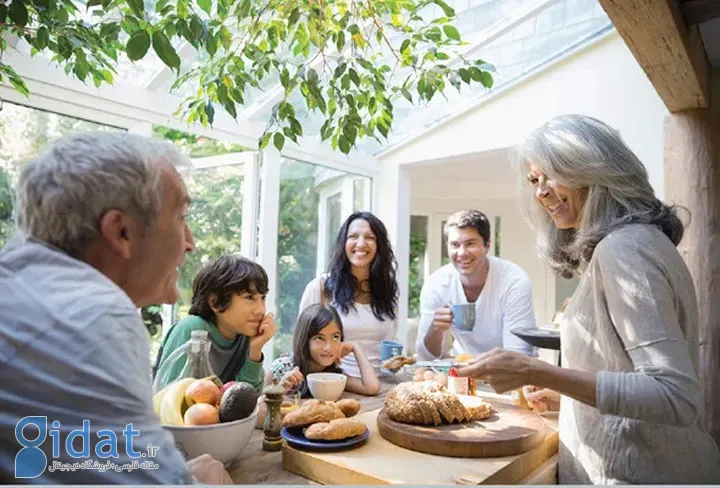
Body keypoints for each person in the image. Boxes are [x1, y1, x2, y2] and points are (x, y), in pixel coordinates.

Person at [457, 115, 720, 483]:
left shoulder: (624, 249)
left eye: (553, 174)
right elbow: (628, 378)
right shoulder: (640, 241)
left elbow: (676, 395)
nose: (541, 192)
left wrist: (536, 370)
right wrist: (567, 396)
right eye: (534, 180)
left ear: (595, 170)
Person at [0, 132, 231, 483]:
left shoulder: (22, 284)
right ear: (121, 231)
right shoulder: (91, 315)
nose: (191, 243)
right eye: (181, 215)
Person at [415, 210, 536, 360]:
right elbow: (424, 357)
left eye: (470, 244)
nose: (462, 253)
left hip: (508, 372)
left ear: (487, 245)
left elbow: (519, 354)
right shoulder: (437, 284)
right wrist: (435, 329)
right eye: (455, 245)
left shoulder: (513, 281)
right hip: (463, 368)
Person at [155, 254, 276, 392]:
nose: (260, 310)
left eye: (263, 298)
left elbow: (246, 400)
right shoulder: (192, 329)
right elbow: (167, 398)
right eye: (249, 297)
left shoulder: (245, 336)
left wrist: (255, 351)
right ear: (215, 302)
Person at [299, 211, 398, 379]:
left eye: (370, 237)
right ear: (343, 243)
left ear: (379, 246)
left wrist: (396, 362)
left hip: (382, 382)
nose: (361, 243)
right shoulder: (321, 288)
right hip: (336, 381)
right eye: (353, 236)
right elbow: (301, 344)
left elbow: (389, 340)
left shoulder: (387, 289)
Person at [267, 303, 381, 397]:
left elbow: (372, 387)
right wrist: (281, 388)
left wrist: (356, 348)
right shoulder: (282, 368)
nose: (329, 347)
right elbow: (258, 403)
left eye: (335, 337)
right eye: (320, 338)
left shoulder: (332, 375)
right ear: (305, 340)